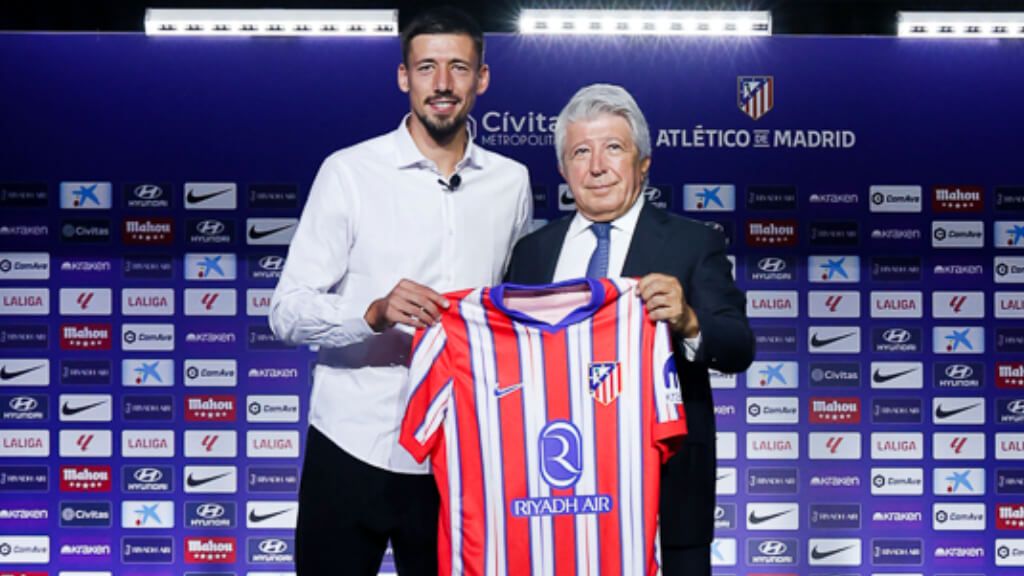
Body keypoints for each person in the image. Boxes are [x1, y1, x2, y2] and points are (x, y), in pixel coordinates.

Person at [269, 7, 532, 575]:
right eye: (427, 67)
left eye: (459, 68)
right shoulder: (349, 172)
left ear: (482, 79)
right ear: (403, 77)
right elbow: (286, 313)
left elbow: (508, 314)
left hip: (456, 453)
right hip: (352, 440)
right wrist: (375, 311)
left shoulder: (512, 182)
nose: (442, 84)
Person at [504, 83, 754, 576]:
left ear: (643, 162)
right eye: (581, 152)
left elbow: (738, 347)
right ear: (562, 169)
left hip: (667, 488)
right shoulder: (532, 253)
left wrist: (689, 322)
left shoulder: (692, 242)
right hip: (555, 485)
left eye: (613, 148)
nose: (597, 166)